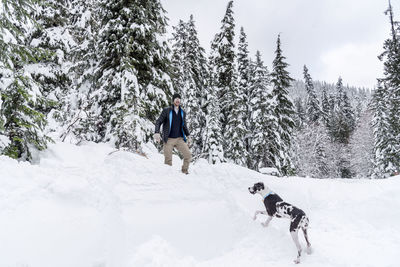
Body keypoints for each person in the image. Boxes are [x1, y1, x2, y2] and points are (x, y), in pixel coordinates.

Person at [154, 93, 192, 174]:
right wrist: (157, 133)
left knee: (188, 155)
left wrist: (188, 136)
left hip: (179, 139)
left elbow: (184, 125)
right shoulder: (167, 110)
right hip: (169, 139)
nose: (177, 100)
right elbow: (158, 121)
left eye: (179, 98)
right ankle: (168, 177)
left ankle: (184, 171)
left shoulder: (182, 112)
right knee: (168, 160)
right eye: (176, 98)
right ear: (173, 100)